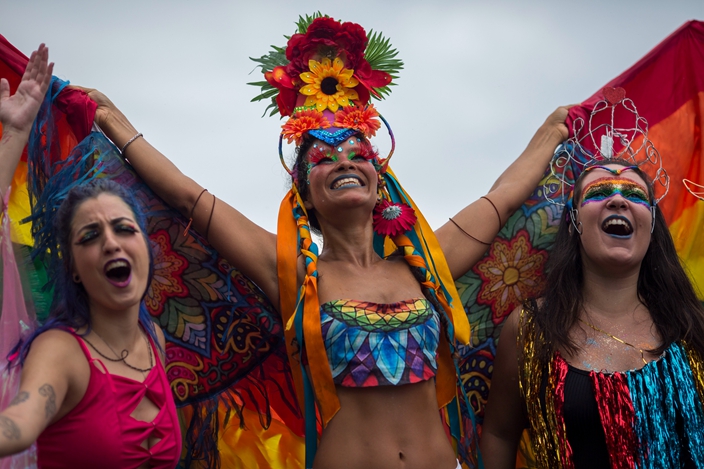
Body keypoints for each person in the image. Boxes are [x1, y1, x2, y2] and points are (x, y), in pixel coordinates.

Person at [81, 15, 568, 469]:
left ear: (380, 180)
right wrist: (113, 121)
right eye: (324, 157)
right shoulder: (292, 274)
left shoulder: (426, 266)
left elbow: (501, 201)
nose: (344, 162)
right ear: (304, 194)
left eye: (359, 153)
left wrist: (555, 129)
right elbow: (191, 199)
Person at [0, 45, 181, 468]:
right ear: (75, 270)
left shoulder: (152, 339)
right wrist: (14, 135)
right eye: (90, 236)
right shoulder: (61, 351)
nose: (112, 243)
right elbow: (19, 425)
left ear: (146, 251)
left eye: (123, 229)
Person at [481, 158, 704, 467]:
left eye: (636, 195)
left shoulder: (693, 324)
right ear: (574, 224)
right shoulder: (532, 327)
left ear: (652, 225)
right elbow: (499, 434)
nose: (617, 199)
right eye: (598, 192)